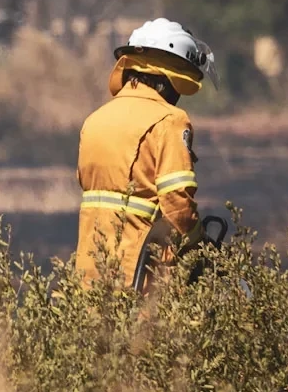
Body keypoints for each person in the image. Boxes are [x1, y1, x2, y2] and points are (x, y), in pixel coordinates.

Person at [73, 18, 211, 288]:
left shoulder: (95, 120)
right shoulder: (170, 120)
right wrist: (200, 245)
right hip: (139, 279)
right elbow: (177, 203)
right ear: (172, 78)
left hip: (89, 276)